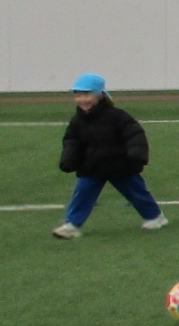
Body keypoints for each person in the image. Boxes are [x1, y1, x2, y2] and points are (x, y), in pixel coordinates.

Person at [52, 74, 168, 239]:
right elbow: (72, 141)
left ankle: (154, 216)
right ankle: (72, 224)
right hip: (92, 167)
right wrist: (69, 159)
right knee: (82, 194)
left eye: (87, 94)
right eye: (78, 95)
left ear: (100, 95)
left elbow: (134, 134)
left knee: (136, 192)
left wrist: (137, 153)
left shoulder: (117, 116)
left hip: (120, 165)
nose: (82, 99)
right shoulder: (77, 120)